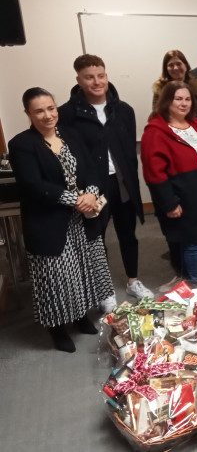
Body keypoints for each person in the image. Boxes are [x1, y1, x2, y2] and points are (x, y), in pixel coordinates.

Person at [9, 87, 114, 352]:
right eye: (39, 111)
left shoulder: (71, 134)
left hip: (82, 221)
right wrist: (76, 200)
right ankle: (57, 329)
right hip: (49, 222)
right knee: (54, 277)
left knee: (81, 270)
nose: (47, 115)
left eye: (51, 108)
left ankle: (80, 317)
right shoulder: (21, 144)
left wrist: (90, 193)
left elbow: (91, 168)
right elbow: (33, 185)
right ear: (28, 114)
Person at [57, 54, 150, 307]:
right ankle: (104, 289)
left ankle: (133, 282)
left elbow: (129, 150)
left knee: (128, 233)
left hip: (122, 182)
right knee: (96, 237)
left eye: (101, 76)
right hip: (92, 187)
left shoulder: (124, 110)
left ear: (106, 76)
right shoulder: (67, 114)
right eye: (89, 77)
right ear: (79, 80)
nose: (96, 82)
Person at [141, 81, 197, 282]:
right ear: (167, 101)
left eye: (187, 99)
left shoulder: (195, 124)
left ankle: (189, 277)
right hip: (185, 198)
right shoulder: (156, 131)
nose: (183, 104)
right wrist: (169, 203)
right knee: (193, 242)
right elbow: (153, 173)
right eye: (178, 99)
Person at [151, 50, 197, 131]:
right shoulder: (160, 88)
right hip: (168, 135)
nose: (175, 68)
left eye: (178, 64)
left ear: (186, 65)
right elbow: (157, 116)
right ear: (166, 69)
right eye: (171, 65)